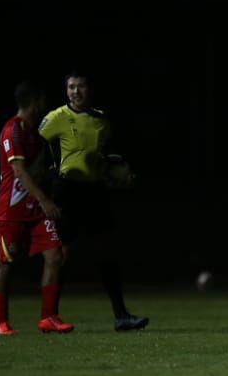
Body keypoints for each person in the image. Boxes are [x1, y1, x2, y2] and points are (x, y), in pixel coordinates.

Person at [38, 72, 147, 331]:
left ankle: (121, 316)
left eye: (81, 86)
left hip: (94, 192)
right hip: (66, 190)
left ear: (90, 89)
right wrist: (48, 177)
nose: (76, 92)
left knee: (106, 251)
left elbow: (104, 158)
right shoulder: (55, 119)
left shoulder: (102, 121)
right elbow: (36, 150)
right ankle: (49, 315)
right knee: (61, 254)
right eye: (71, 87)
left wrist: (116, 177)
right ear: (66, 91)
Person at [0, 81, 73, 335]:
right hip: (12, 211)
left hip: (35, 209)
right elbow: (19, 172)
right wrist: (45, 201)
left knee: (55, 256)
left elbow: (36, 172)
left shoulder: (35, 135)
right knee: (6, 264)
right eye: (43, 101)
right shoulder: (11, 131)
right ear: (35, 102)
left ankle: (48, 317)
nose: (45, 106)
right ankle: (0, 323)